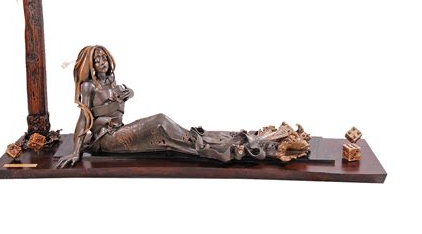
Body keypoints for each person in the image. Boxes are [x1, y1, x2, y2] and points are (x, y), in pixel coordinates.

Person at [56, 45, 310, 168]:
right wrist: (76, 152)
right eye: (97, 59)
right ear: (89, 64)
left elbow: (113, 105)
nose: (102, 62)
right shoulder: (88, 87)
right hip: (106, 140)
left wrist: (128, 94)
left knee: (168, 131)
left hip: (119, 131)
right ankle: (212, 146)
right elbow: (84, 119)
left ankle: (225, 141)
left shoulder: (111, 81)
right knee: (160, 122)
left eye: (104, 57)